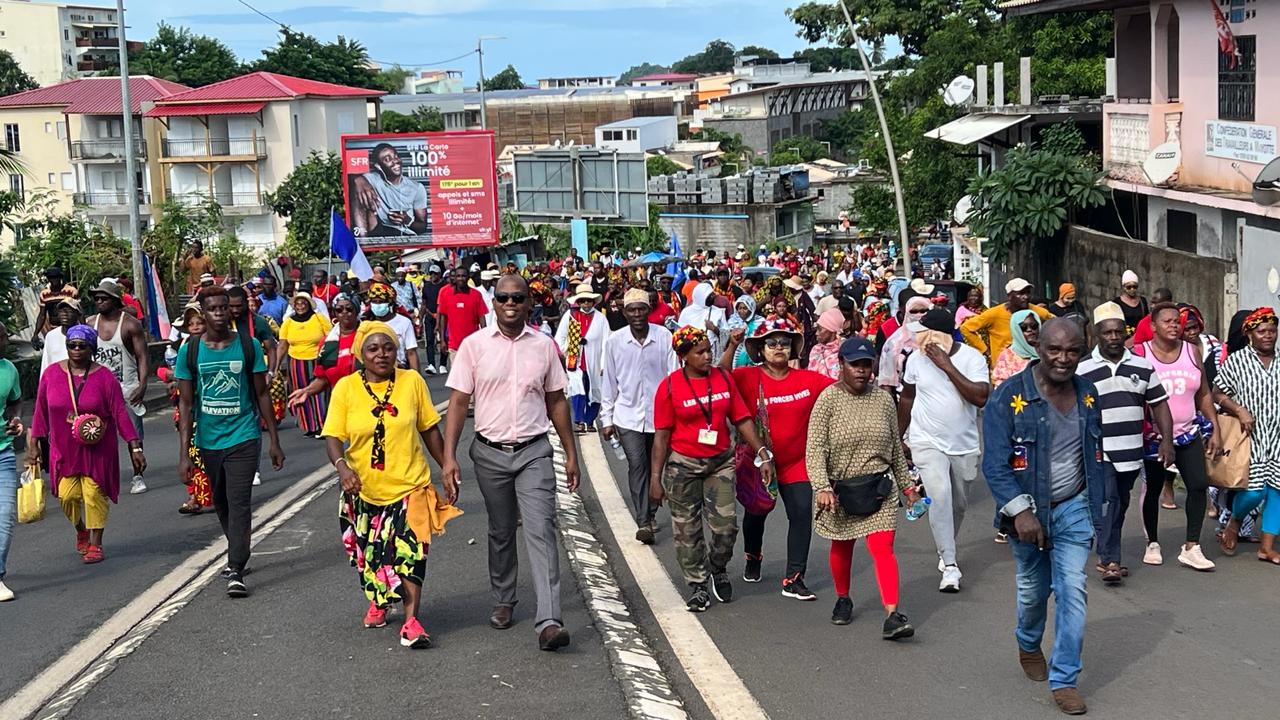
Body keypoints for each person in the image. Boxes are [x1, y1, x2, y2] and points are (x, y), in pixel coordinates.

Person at [442, 274, 580, 651]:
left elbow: (556, 401)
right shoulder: (474, 347)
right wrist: (448, 458)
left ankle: (549, 620)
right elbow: (457, 402)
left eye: (518, 298)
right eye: (503, 297)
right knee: (501, 530)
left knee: (541, 528)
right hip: (488, 453)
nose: (510, 303)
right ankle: (504, 597)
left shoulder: (545, 346)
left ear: (529, 304)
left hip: (534, 451)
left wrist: (571, 453)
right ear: (494, 302)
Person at [981, 319, 1105, 715]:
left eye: (1072, 351)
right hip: (1028, 513)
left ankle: (1065, 678)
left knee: (1072, 588)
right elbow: (995, 466)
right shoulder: (1008, 396)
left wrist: (1100, 507)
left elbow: (1094, 457)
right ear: (1038, 347)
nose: (1063, 359)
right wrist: (1020, 511)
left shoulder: (1088, 394)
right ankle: (1028, 641)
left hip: (1074, 506)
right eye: (1055, 350)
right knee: (1033, 592)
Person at [324, 321, 461, 647]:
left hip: (411, 487)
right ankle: (380, 599)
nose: (382, 354)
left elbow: (429, 429)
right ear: (361, 354)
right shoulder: (346, 388)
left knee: (412, 554)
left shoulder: (411, 381)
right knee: (373, 558)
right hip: (365, 491)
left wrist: (446, 467)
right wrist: (342, 467)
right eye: (373, 349)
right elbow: (333, 436)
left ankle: (412, 621)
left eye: (388, 347)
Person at [650, 326, 772, 612]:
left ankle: (717, 567)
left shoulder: (722, 379)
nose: (708, 356)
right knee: (687, 531)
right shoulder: (669, 387)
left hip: (720, 462)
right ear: (684, 356)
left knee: (726, 527)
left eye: (709, 350)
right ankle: (697, 584)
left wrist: (763, 453)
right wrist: (656, 479)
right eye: (700, 352)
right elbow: (662, 437)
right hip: (683, 465)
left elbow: (741, 418)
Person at [176, 287, 286, 598]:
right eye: (213, 309)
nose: (220, 314)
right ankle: (237, 547)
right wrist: (184, 454)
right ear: (203, 312)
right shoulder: (191, 350)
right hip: (208, 440)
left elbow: (262, 394)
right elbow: (185, 404)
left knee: (239, 502)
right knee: (221, 502)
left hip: (244, 436)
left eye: (224, 308)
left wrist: (274, 440)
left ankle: (236, 566)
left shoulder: (248, 346)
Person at [807, 336, 919, 637]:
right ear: (841, 365)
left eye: (866, 365)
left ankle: (893, 614)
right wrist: (822, 487)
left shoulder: (883, 400)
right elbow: (815, 448)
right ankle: (843, 598)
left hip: (879, 488)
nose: (861, 370)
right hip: (841, 492)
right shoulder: (827, 401)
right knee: (842, 546)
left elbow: (895, 446)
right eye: (854, 364)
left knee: (883, 548)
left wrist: (909, 489)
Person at [722, 317, 833, 599]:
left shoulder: (809, 380)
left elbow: (841, 391)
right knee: (756, 515)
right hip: (758, 463)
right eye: (771, 343)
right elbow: (718, 379)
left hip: (797, 463)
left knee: (801, 515)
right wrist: (731, 345)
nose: (778, 347)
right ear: (760, 349)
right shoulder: (747, 376)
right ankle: (753, 555)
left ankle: (794, 578)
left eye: (784, 342)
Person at [29, 325, 146, 565]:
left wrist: (135, 447)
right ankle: (81, 529)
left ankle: (96, 543)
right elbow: (40, 412)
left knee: (93, 494)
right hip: (64, 449)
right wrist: (34, 445)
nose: (77, 350)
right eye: (72, 345)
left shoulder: (104, 377)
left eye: (83, 346)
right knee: (67, 495)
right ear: (67, 347)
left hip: (98, 449)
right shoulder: (51, 375)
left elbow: (120, 414)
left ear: (91, 348)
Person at [1077, 302, 1174, 585]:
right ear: (1096, 334)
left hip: (1132, 452)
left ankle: (1105, 547)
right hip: (1099, 452)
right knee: (1110, 501)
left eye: (1119, 332)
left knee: (1119, 503)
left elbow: (1160, 405)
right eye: (1107, 333)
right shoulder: (1083, 369)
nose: (1114, 337)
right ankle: (1110, 560)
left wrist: (1167, 441)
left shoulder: (1142, 367)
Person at [898, 309, 991, 592]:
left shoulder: (972, 358)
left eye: (923, 332)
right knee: (939, 497)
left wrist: (947, 365)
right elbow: (907, 397)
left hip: (963, 443)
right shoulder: (915, 359)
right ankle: (950, 565)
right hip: (926, 440)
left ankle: (945, 544)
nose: (917, 339)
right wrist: (898, 435)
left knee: (958, 504)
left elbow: (981, 397)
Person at [1133, 303, 1220, 571]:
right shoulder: (1140, 353)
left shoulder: (1192, 351)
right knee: (1154, 488)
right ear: (1154, 326)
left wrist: (1214, 427)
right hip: (1154, 437)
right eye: (1167, 321)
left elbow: (1204, 393)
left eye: (1177, 322)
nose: (1174, 325)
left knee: (1197, 484)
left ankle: (1192, 546)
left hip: (1188, 432)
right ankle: (1153, 542)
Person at [600, 289, 678, 545]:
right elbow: (609, 382)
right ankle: (643, 520)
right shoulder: (614, 341)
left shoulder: (663, 336)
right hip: (628, 416)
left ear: (648, 310)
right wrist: (607, 418)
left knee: (656, 466)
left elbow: (673, 377)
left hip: (660, 417)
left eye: (641, 309)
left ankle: (651, 511)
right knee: (637, 463)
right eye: (631, 310)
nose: (636, 314)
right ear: (624, 313)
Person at [1211, 307, 1280, 563]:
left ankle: (1267, 547)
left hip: (1278, 438)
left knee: (1277, 492)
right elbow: (1217, 393)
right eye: (1261, 331)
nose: (1268, 336)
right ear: (1250, 333)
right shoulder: (1237, 361)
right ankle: (1234, 520)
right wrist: (1239, 410)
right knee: (1255, 492)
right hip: (1250, 438)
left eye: (1272, 331)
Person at [84, 279, 150, 495]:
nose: (99, 301)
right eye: (96, 298)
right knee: (96, 433)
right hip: (99, 390)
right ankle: (100, 475)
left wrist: (142, 385)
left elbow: (142, 356)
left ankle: (137, 475)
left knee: (133, 434)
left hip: (127, 387)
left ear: (114, 300)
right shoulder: (90, 323)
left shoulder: (130, 324)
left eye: (103, 298)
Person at [289, 292, 362, 408]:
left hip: (366, 400)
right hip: (339, 403)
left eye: (349, 309)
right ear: (335, 314)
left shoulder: (368, 336)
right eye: (339, 310)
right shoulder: (327, 342)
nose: (344, 313)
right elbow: (323, 379)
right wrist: (306, 391)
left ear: (357, 311)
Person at [961, 278, 1052, 369]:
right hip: (1003, 369)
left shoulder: (1038, 312)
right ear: (1009, 296)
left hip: (1033, 367)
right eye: (1020, 293)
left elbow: (1057, 323)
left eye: (1028, 293)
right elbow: (966, 328)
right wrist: (985, 350)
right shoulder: (994, 314)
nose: (1026, 297)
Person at [277, 293, 333, 438]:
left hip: (317, 360)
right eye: (298, 304)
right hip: (296, 362)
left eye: (303, 303)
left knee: (319, 393)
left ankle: (322, 425)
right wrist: (275, 366)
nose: (300, 306)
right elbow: (282, 345)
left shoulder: (319, 318)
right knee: (301, 392)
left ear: (308, 304)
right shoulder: (288, 322)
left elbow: (331, 338)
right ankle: (308, 426)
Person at [556, 283, 609, 434]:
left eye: (588, 300)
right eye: (583, 300)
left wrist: (603, 363)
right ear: (578, 302)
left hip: (594, 360)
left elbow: (606, 342)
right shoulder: (570, 316)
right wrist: (564, 352)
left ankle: (590, 420)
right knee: (577, 388)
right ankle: (579, 420)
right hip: (574, 358)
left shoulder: (600, 319)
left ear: (593, 301)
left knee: (595, 390)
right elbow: (560, 337)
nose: (586, 303)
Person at [351, 143, 429, 236]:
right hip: (380, 231)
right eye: (388, 159)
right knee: (356, 191)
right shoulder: (373, 179)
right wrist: (359, 180)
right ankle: (361, 243)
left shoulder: (416, 188)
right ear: (378, 166)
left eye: (396, 156)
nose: (395, 161)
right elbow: (348, 176)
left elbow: (422, 227)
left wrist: (407, 220)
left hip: (406, 235)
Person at [0, 322, 23, 601]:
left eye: (4, 336)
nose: (5, 341)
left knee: (5, 516)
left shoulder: (9, 370)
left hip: (3, 452)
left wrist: (16, 418)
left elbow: (16, 401)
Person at [437, 266, 489, 367]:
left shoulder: (476, 295)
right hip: (454, 345)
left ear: (468, 277)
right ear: (454, 278)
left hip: (473, 345)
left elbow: (482, 318)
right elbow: (443, 318)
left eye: (464, 276)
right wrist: (442, 340)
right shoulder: (446, 294)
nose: (461, 278)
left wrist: (485, 339)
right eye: (458, 276)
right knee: (458, 379)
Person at [365, 283, 420, 371]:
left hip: (400, 370)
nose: (378, 305)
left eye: (381, 302)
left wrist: (416, 377)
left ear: (389, 303)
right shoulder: (366, 325)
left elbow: (411, 352)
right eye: (374, 302)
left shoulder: (404, 322)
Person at [991, 311, 1043, 388]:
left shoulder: (1047, 351)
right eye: (1023, 327)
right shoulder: (1007, 356)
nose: (1029, 330)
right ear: (1016, 329)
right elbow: (1000, 387)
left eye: (1034, 326)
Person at [34, 267, 80, 343]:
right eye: (51, 277)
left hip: (71, 328)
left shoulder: (71, 291)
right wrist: (36, 333)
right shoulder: (44, 294)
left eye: (55, 277)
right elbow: (42, 315)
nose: (53, 279)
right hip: (54, 328)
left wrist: (84, 327)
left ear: (60, 278)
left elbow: (79, 311)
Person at [41, 298, 82, 374]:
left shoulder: (85, 335)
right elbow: (46, 362)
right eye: (61, 311)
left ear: (77, 313)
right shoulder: (51, 336)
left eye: (69, 310)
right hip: (57, 381)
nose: (64, 313)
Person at [419, 265, 447, 374]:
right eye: (431, 273)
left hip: (443, 315)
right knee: (430, 340)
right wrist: (421, 320)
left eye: (435, 274)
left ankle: (443, 364)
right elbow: (424, 303)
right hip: (430, 315)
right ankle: (431, 364)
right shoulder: (426, 286)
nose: (432, 276)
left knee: (444, 339)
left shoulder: (444, 286)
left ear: (439, 274)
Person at [726, 295, 763, 368]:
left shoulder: (760, 322)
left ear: (751, 309)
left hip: (753, 357)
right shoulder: (732, 322)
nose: (741, 311)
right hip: (735, 356)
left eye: (745, 308)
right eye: (740, 308)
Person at [809, 307, 845, 380]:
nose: (816, 333)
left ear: (832, 330)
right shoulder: (816, 349)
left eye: (820, 329)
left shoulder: (845, 349)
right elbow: (810, 375)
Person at [1113, 270, 1149, 338]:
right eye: (1129, 287)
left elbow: (1146, 320)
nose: (1132, 289)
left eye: (1134, 287)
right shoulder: (1117, 302)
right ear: (1124, 287)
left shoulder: (1142, 301)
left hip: (1141, 338)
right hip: (1124, 339)